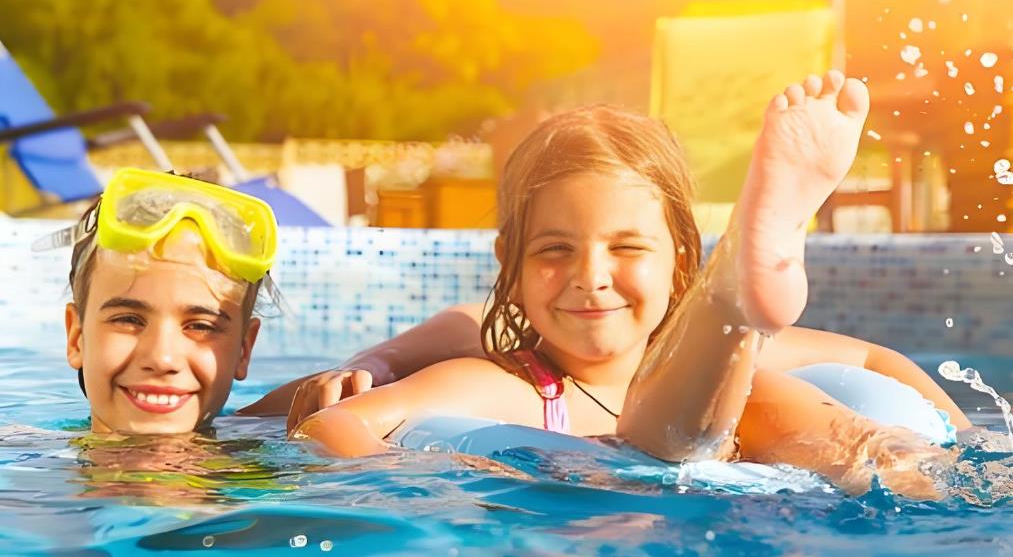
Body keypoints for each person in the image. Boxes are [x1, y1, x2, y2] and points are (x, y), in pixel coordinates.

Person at [283, 71, 963, 498]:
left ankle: (910, 469)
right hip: (675, 492)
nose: (590, 276)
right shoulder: (511, 387)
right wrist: (425, 474)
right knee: (728, 391)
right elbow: (333, 424)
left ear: (678, 262)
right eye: (554, 250)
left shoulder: (742, 367)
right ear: (510, 269)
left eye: (626, 247)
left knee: (760, 391)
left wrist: (961, 434)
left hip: (729, 469)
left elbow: (875, 362)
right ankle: (733, 300)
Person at [38, 167, 280, 435]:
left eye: (201, 326)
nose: (162, 359)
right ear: (76, 337)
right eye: (128, 319)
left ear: (244, 350)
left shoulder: (278, 448)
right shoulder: (23, 454)